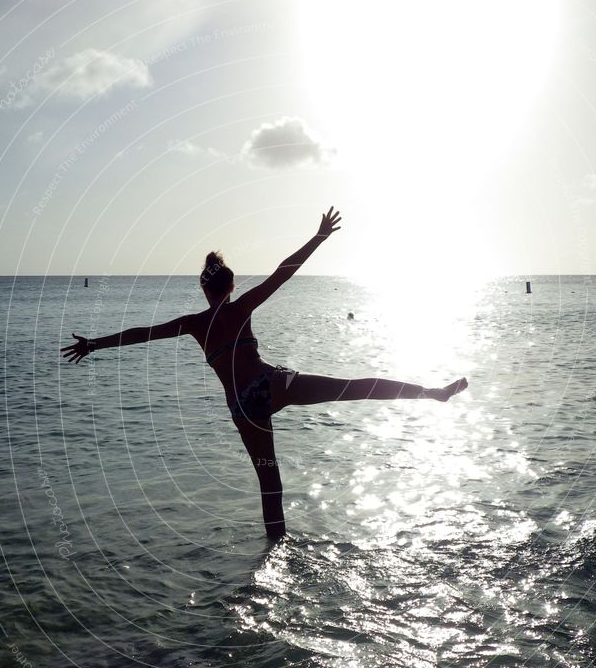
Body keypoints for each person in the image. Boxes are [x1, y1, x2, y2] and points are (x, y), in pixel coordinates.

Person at [61, 207, 468, 538]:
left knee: (269, 484)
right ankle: (430, 393)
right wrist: (320, 237)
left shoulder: (194, 323)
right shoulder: (239, 308)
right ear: (232, 284)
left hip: (242, 409)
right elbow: (283, 271)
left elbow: (143, 334)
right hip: (270, 386)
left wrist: (93, 343)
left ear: (204, 290)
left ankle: (274, 549)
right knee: (352, 388)